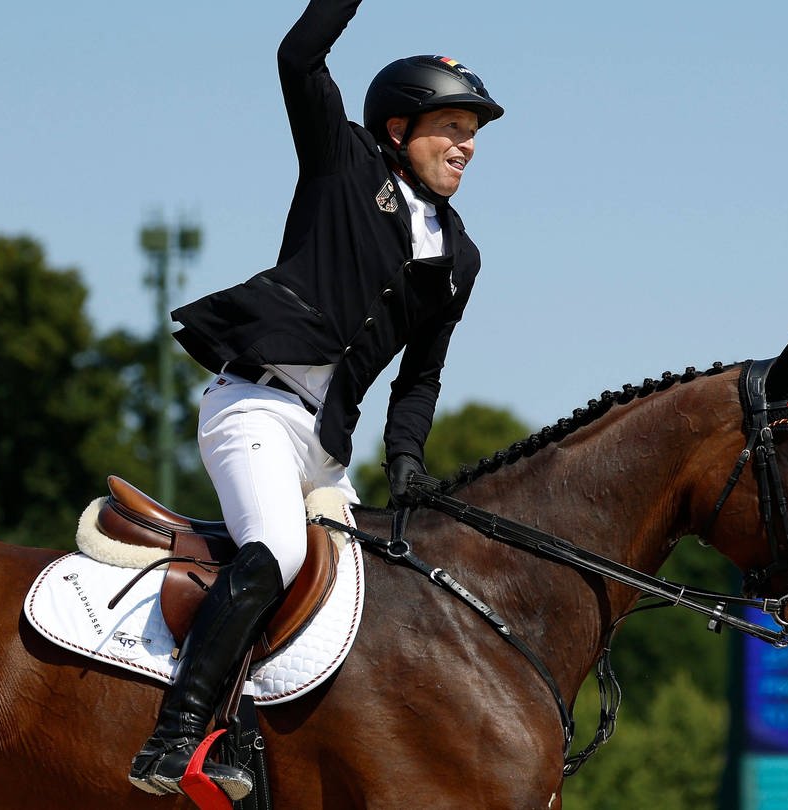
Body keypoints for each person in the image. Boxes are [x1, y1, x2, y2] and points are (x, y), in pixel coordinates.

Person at [127, 0, 503, 800]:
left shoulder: (461, 256)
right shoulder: (345, 162)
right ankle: (178, 735)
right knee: (281, 551)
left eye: (475, 131)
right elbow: (299, 59)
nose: (468, 145)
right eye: (453, 127)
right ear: (398, 128)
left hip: (324, 445)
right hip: (253, 407)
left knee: (380, 592)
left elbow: (421, 378)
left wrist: (407, 463)